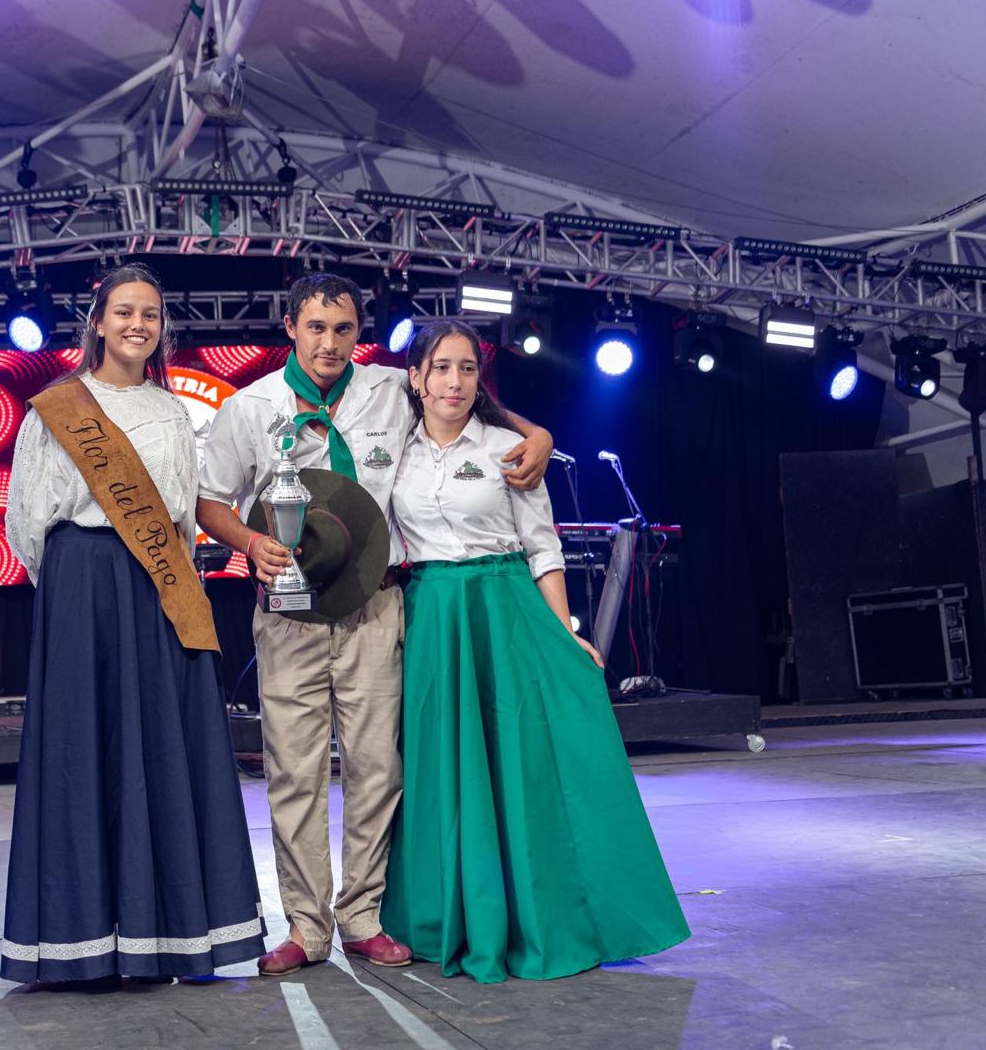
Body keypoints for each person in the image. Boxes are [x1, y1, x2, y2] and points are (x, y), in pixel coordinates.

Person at [195, 274, 555, 976]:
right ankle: (305, 923)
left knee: (376, 766)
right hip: (289, 612)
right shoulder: (249, 408)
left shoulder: (390, 389)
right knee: (294, 771)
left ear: (358, 333)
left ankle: (362, 914)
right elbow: (210, 502)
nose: (329, 343)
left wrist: (536, 431)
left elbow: (471, 400)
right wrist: (249, 542)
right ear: (291, 328)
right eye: (316, 328)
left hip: (376, 604)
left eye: (342, 329)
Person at [380, 320, 691, 983]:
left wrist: (564, 631)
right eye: (440, 368)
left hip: (504, 607)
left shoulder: (509, 447)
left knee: (522, 764)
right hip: (430, 612)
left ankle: (543, 914)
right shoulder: (393, 448)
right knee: (442, 766)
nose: (454, 382)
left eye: (467, 369)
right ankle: (448, 917)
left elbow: (542, 545)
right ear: (415, 376)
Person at [0, 263, 266, 984]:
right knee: (85, 749)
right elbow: (27, 521)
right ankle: (84, 939)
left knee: (158, 752)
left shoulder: (174, 410)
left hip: (158, 589)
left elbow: (181, 512)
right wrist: (78, 585)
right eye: (123, 312)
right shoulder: (54, 408)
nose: (136, 325)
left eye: (149, 314)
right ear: (98, 321)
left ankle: (167, 936)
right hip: (82, 584)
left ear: (161, 327)